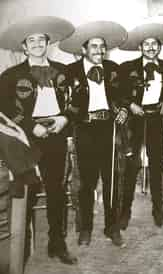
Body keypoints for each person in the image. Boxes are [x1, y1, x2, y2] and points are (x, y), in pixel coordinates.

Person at [0, 16, 77, 264]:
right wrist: (31, 126)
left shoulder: (63, 71)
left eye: (40, 39)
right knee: (25, 191)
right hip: (25, 137)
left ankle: (57, 243)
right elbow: (5, 107)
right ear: (24, 47)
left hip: (56, 133)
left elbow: (77, 101)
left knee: (56, 190)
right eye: (31, 40)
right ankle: (19, 248)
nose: (36, 44)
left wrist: (64, 118)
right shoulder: (10, 75)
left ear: (48, 43)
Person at [59, 21, 128, 247]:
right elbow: (63, 104)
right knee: (85, 183)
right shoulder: (69, 72)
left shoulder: (113, 68)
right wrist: (69, 134)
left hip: (109, 128)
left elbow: (124, 95)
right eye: (94, 46)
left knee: (112, 181)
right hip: (84, 129)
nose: (100, 51)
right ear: (83, 49)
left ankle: (112, 228)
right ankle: (85, 228)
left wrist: (124, 109)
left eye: (102, 46)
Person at [118, 23, 163, 229]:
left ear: (159, 47)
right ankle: (124, 211)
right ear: (140, 47)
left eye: (155, 44)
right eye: (147, 44)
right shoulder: (127, 67)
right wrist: (130, 104)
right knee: (130, 165)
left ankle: (158, 209)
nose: (151, 47)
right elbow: (118, 93)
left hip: (156, 119)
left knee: (156, 164)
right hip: (135, 119)